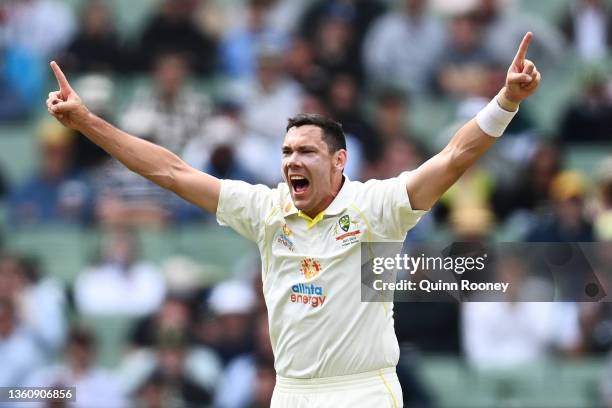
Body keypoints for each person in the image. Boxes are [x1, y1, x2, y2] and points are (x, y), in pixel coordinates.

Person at [45, 32, 541, 407]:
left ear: (340, 161)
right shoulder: (266, 211)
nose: (291, 162)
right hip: (291, 391)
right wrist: (87, 121)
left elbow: (453, 158)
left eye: (306, 151)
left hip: (362, 391)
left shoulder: (378, 207)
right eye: (286, 152)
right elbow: (171, 171)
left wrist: (506, 102)